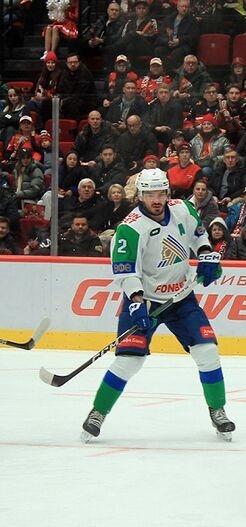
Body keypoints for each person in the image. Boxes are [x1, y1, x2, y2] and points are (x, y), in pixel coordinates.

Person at [81, 168, 235, 443]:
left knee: (208, 351)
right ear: (140, 194)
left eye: (160, 193)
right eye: (150, 193)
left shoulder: (184, 209)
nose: (156, 199)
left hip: (181, 298)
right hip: (146, 301)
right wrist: (136, 303)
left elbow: (198, 236)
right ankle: (97, 413)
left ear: (167, 192)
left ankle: (218, 410)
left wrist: (206, 256)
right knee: (129, 361)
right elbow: (126, 272)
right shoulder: (130, 229)